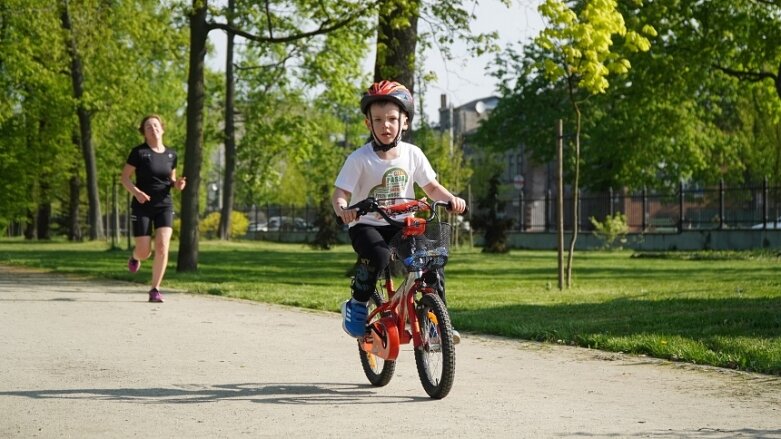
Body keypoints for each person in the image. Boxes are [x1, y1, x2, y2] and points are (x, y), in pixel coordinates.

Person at [332, 80, 467, 340]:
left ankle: (436, 325)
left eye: (392, 119)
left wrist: (452, 199)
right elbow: (341, 193)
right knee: (378, 256)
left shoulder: (413, 154)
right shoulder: (359, 159)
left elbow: (431, 187)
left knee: (430, 260)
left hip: (403, 224)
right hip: (367, 224)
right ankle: (357, 304)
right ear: (368, 124)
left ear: (404, 122)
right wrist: (343, 208)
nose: (386, 125)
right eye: (379, 120)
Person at [120, 114, 186, 303]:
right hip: (142, 206)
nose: (153, 129)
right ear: (144, 133)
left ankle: (155, 289)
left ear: (162, 129)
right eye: (148, 127)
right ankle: (135, 257)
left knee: (163, 246)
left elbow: (170, 179)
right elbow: (125, 178)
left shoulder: (171, 155)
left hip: (164, 205)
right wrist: (136, 192)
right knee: (144, 251)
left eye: (156, 125)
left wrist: (177, 184)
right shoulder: (139, 152)